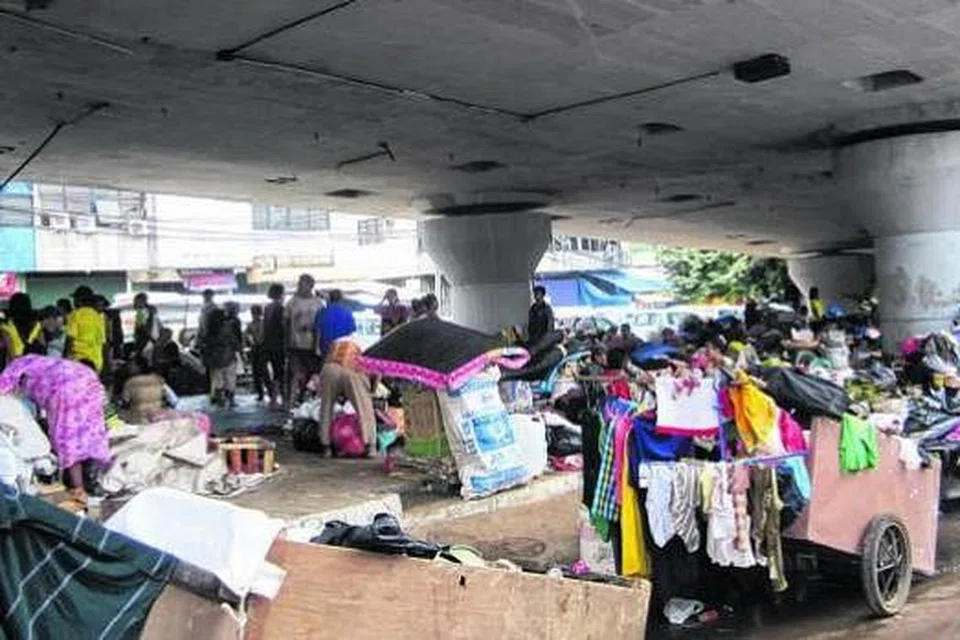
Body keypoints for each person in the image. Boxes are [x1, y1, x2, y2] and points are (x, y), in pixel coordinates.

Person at [0, 354, 111, 501]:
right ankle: (95, 478)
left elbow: (4, 392)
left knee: (68, 439)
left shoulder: (12, 371)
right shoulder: (40, 363)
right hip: (89, 379)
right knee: (91, 431)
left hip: (65, 388)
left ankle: (78, 489)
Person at [316, 338, 376, 456]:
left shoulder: (337, 340)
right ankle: (370, 445)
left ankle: (326, 446)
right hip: (353, 368)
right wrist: (371, 390)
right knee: (364, 408)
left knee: (326, 407)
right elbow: (374, 371)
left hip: (331, 368)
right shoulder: (372, 342)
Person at [285, 274, 322, 405]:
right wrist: (286, 343)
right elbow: (286, 323)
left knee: (312, 374)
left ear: (311, 286)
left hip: (312, 345)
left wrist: (318, 345)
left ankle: (307, 399)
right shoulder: (292, 302)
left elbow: (320, 325)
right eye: (299, 284)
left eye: (303, 284)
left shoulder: (318, 303)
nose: (300, 286)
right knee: (296, 373)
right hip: (295, 344)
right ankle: (291, 401)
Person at [203, 307, 241, 407]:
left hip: (215, 359)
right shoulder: (227, 328)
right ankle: (231, 401)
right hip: (228, 356)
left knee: (218, 381)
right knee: (230, 380)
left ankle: (220, 401)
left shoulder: (210, 330)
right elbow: (234, 342)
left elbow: (205, 343)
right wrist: (238, 348)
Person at [65, 286, 106, 374]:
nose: (73, 302)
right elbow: (102, 342)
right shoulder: (98, 316)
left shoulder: (75, 314)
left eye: (75, 299)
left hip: (79, 361)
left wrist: (66, 359)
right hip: (96, 362)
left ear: (79, 300)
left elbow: (70, 338)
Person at [0, 292, 44, 368]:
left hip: (16, 364)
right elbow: (42, 345)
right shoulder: (37, 325)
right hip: (34, 364)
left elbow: (9, 352)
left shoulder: (7, 327)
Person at [261, 284, 286, 408]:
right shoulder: (280, 308)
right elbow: (283, 327)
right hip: (279, 344)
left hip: (268, 344)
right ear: (281, 294)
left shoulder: (267, 308)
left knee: (276, 371)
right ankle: (278, 398)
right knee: (280, 372)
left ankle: (274, 398)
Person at [316, 289, 357, 356]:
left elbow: (318, 331)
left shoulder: (322, 312)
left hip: (326, 347)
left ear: (330, 298)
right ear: (341, 299)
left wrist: (317, 348)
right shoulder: (347, 311)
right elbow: (351, 331)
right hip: (342, 348)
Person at [246, 304, 268, 403]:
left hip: (258, 349)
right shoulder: (263, 323)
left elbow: (248, 336)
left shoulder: (252, 324)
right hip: (259, 348)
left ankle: (262, 393)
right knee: (260, 371)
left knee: (261, 372)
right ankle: (263, 392)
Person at [132, 292, 162, 362]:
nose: (135, 303)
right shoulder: (144, 312)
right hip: (150, 338)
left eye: (136, 301)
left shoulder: (144, 312)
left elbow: (144, 328)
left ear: (142, 301)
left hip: (148, 338)